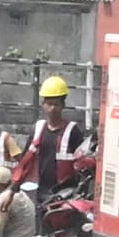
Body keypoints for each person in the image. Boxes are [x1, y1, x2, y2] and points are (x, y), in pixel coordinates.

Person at [18, 75, 94, 205]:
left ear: (63, 106)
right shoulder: (38, 129)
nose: (53, 108)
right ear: (43, 105)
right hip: (38, 191)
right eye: (49, 104)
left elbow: (82, 164)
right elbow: (25, 161)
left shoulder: (72, 131)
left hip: (63, 194)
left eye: (56, 104)